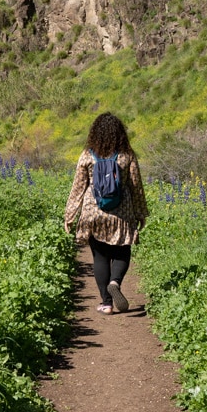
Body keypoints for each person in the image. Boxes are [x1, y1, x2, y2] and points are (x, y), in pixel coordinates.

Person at [63, 112, 148, 315]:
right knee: (122, 251)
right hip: (122, 212)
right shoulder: (127, 156)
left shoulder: (87, 155)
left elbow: (78, 187)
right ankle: (115, 282)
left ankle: (106, 303)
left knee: (99, 256)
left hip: (94, 211)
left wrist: (70, 215)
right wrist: (140, 212)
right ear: (120, 133)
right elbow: (136, 186)